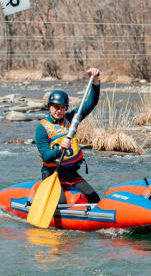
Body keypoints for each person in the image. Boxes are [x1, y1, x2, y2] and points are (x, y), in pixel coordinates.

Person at [35, 68, 101, 204]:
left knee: (94, 198)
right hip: (52, 173)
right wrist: (60, 149)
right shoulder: (42, 128)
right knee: (60, 202)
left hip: (70, 172)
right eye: (55, 107)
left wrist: (95, 81)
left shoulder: (71, 119)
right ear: (49, 107)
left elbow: (91, 102)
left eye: (62, 107)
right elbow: (46, 155)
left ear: (66, 108)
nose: (59, 110)